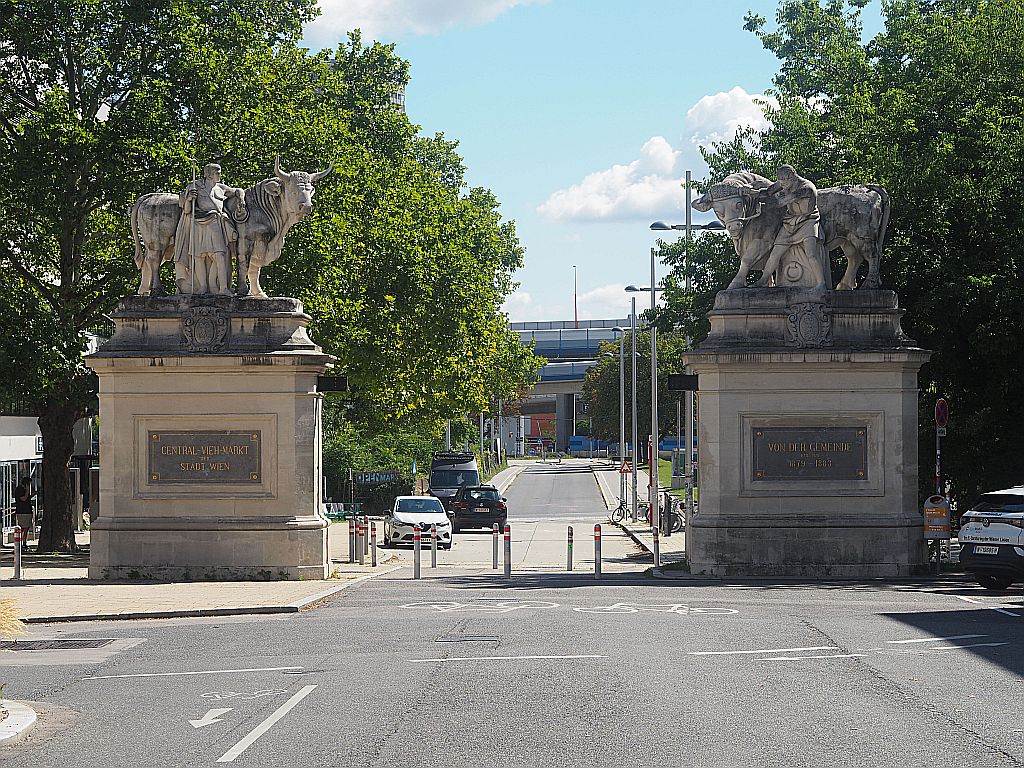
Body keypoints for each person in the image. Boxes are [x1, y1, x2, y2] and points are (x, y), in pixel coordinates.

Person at [173, 163, 244, 295]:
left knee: (220, 255)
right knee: (199, 257)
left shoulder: (221, 188)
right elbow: (187, 210)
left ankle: (223, 288)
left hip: (215, 223)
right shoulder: (196, 186)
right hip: (198, 223)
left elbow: (237, 190)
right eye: (217, 172)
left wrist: (241, 197)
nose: (220, 175)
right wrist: (189, 199)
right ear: (209, 174)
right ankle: (203, 287)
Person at [756, 165, 829, 289]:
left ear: (792, 177)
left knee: (811, 253)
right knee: (775, 252)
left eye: (783, 180)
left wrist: (762, 206)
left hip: (808, 221)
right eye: (779, 180)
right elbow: (768, 192)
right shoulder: (785, 183)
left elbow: (780, 202)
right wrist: (750, 193)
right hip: (790, 222)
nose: (781, 183)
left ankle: (821, 283)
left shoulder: (806, 189)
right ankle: (763, 280)